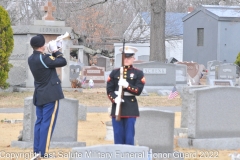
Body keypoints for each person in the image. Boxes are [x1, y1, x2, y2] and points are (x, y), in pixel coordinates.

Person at [28, 34, 67, 159]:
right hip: (50, 94)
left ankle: (37, 151)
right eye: (44, 44)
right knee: (47, 123)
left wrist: (53, 51)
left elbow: (50, 61)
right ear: (41, 46)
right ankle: (43, 153)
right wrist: (55, 50)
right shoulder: (43, 58)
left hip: (40, 94)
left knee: (39, 122)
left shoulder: (32, 58)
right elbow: (62, 61)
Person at [106, 46, 145, 145]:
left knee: (129, 136)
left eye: (129, 58)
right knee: (118, 134)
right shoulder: (115, 72)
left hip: (130, 107)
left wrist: (127, 86)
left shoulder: (138, 73)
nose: (126, 60)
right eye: (125, 58)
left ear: (133, 59)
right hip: (117, 106)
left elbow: (138, 90)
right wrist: (115, 99)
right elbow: (109, 90)